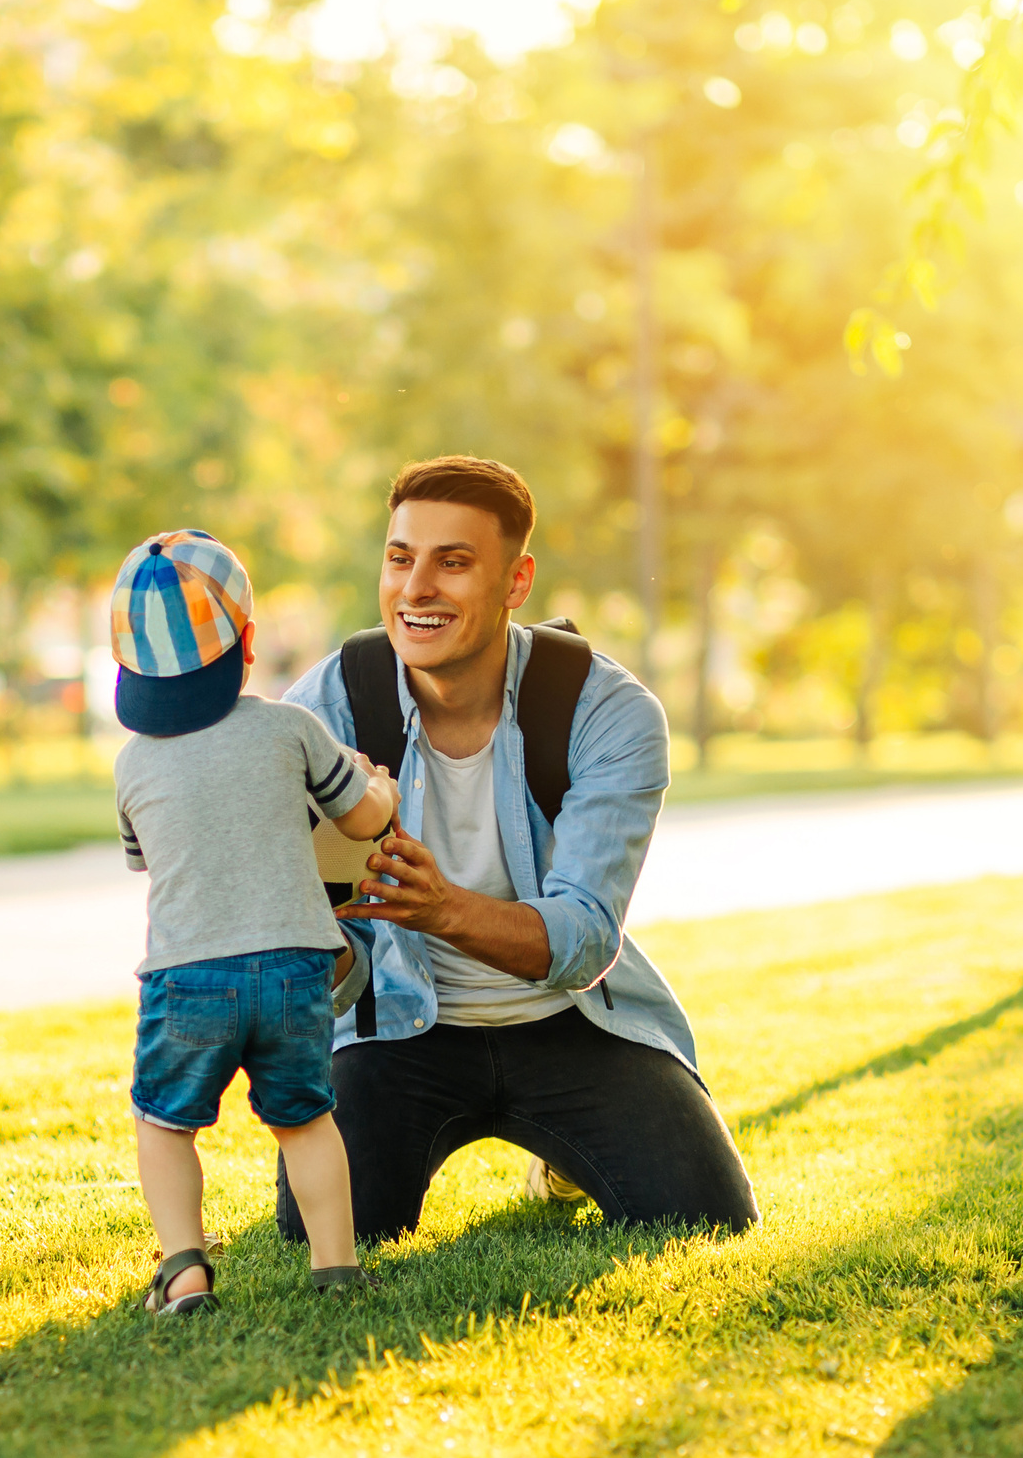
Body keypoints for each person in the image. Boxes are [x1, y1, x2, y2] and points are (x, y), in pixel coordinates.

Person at [278, 455, 759, 1242]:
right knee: (328, 1236)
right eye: (401, 559)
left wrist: (437, 909)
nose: (416, 588)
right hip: (397, 1031)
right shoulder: (323, 711)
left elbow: (582, 942)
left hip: (573, 1020)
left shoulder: (609, 712)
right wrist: (309, 927)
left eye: (453, 563)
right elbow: (344, 981)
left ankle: (565, 1153)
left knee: (707, 1220)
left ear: (517, 580)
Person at [110, 529, 400, 1314]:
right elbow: (365, 815)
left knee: (166, 1124)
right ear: (244, 637)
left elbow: (148, 859)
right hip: (294, 967)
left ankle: (185, 1272)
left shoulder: (132, 764)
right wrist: (383, 790)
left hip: (187, 974)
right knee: (306, 1120)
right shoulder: (288, 728)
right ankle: (336, 1268)